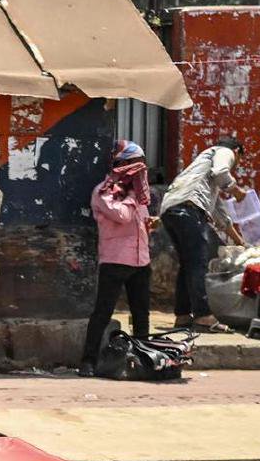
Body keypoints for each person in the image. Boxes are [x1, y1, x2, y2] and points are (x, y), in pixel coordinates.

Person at [161, 135, 246, 333]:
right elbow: (222, 171)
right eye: (239, 159)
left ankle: (183, 315)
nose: (237, 164)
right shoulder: (224, 152)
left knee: (188, 264)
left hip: (171, 209)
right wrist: (236, 191)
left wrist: (239, 241)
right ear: (236, 152)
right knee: (198, 263)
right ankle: (203, 316)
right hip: (188, 209)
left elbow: (219, 214)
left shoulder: (202, 175)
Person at [84, 140, 156, 373]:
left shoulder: (139, 195)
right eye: (133, 164)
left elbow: (139, 221)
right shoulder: (104, 191)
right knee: (103, 313)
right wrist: (133, 194)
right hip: (115, 260)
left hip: (141, 260)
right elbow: (123, 216)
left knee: (141, 314)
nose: (139, 170)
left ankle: (144, 360)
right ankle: (88, 361)